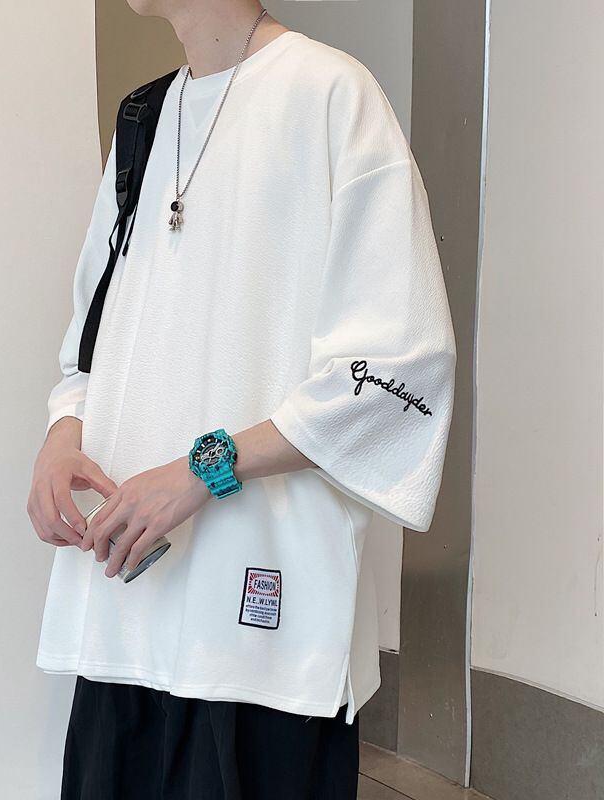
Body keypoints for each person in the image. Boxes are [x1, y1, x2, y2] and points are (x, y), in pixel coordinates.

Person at [27, 2, 456, 798]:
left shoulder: (332, 95)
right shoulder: (142, 120)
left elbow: (397, 370)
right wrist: (62, 434)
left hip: (261, 637)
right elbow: (90, 342)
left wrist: (203, 469)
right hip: (124, 616)